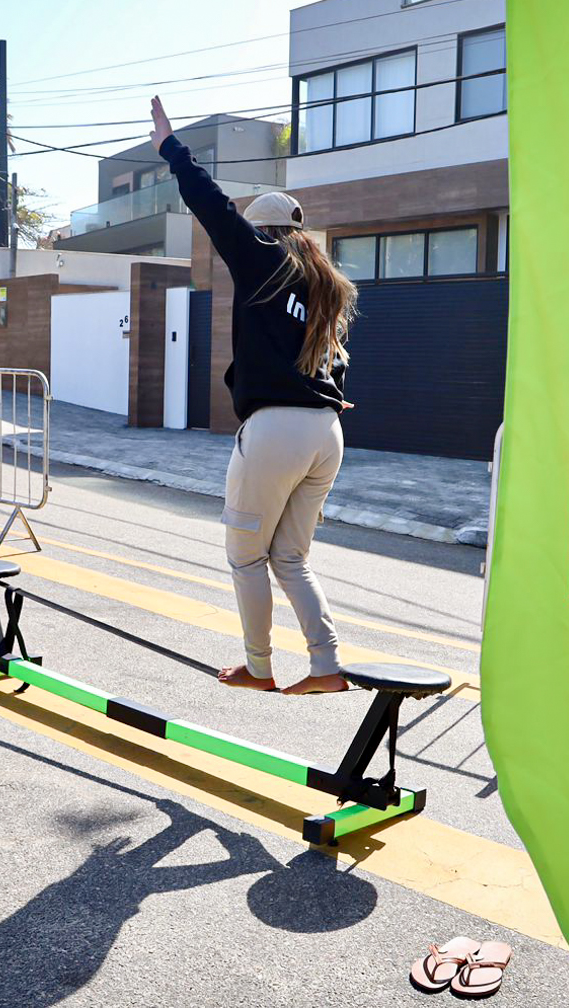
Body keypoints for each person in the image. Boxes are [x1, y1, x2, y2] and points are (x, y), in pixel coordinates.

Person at [151, 95, 358, 696]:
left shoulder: (263, 259)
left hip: (275, 431)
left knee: (246, 554)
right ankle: (326, 667)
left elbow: (211, 205)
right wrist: (331, 395)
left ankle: (259, 667)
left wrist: (172, 147)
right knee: (290, 558)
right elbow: (335, 360)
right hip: (327, 434)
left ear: (264, 231)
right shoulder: (328, 286)